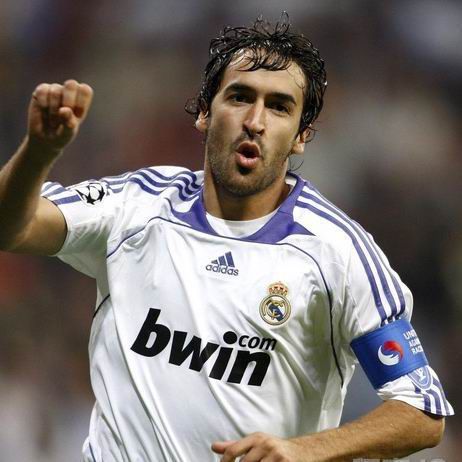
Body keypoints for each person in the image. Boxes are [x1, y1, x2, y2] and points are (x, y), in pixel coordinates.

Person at [0, 14, 453, 462]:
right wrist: (40, 152)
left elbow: (421, 412)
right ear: (204, 112)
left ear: (301, 136)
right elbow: (12, 227)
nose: (255, 120)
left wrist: (303, 450)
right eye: (240, 97)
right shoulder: (138, 205)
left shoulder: (337, 252)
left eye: (279, 107)